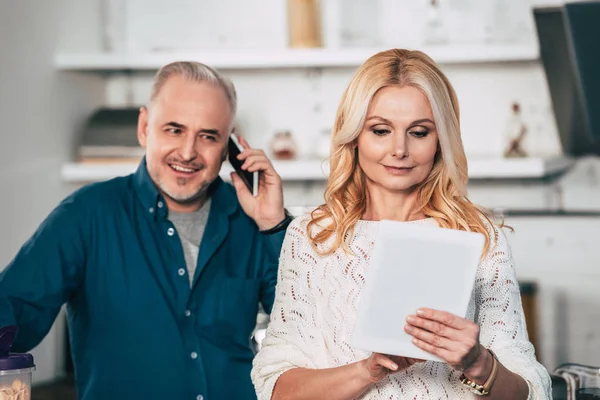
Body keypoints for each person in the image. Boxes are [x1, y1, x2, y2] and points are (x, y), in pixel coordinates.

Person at [251, 49, 552, 399]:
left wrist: (478, 363)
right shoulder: (313, 237)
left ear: (441, 140)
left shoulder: (480, 237)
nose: (399, 150)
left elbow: (531, 392)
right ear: (354, 136)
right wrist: (369, 370)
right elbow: (276, 389)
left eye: (419, 132)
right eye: (380, 130)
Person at [0, 61, 292, 400]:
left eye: (208, 136)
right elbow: (12, 309)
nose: (187, 152)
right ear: (144, 127)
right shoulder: (86, 215)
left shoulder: (252, 222)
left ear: (228, 147)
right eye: (174, 129)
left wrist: (273, 224)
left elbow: (306, 329)